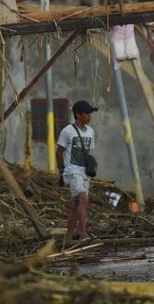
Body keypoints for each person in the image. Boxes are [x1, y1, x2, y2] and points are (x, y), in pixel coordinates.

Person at [56, 100, 98, 247]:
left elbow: (87, 152)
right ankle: (83, 233)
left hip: (84, 172)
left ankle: (68, 237)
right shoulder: (67, 131)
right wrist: (61, 173)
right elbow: (59, 153)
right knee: (83, 198)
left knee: (76, 204)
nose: (89, 116)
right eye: (87, 113)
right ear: (78, 114)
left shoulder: (91, 131)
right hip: (72, 171)